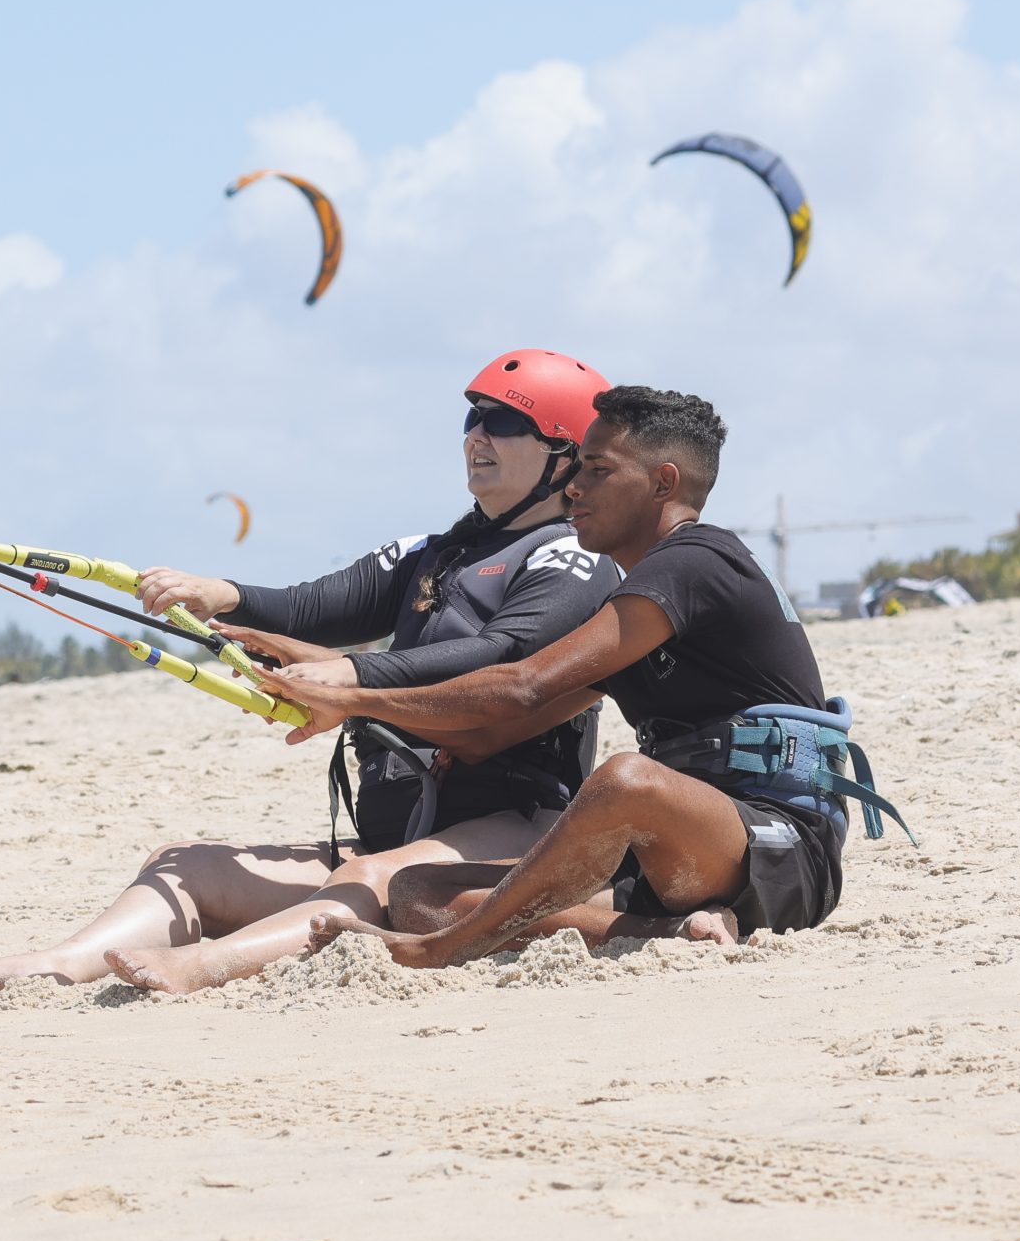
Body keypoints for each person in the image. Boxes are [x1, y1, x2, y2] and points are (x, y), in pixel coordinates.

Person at [0, 350, 624, 997]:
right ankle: (62, 962)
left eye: (504, 422)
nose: (477, 435)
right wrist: (218, 593)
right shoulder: (434, 550)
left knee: (371, 878)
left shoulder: (573, 560)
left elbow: (504, 656)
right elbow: (316, 605)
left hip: (513, 824)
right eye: (474, 417)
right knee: (186, 863)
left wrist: (352, 679)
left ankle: (201, 967)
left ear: (566, 456)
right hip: (403, 830)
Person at [265, 385, 901, 970]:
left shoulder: (699, 561)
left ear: (663, 483)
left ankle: (432, 952)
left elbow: (522, 683)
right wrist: (316, 681)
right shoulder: (634, 604)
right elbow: (490, 735)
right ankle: (675, 935)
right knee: (419, 889)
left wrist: (352, 692)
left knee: (627, 779)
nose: (574, 489)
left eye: (597, 470)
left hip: (782, 851)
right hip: (674, 860)